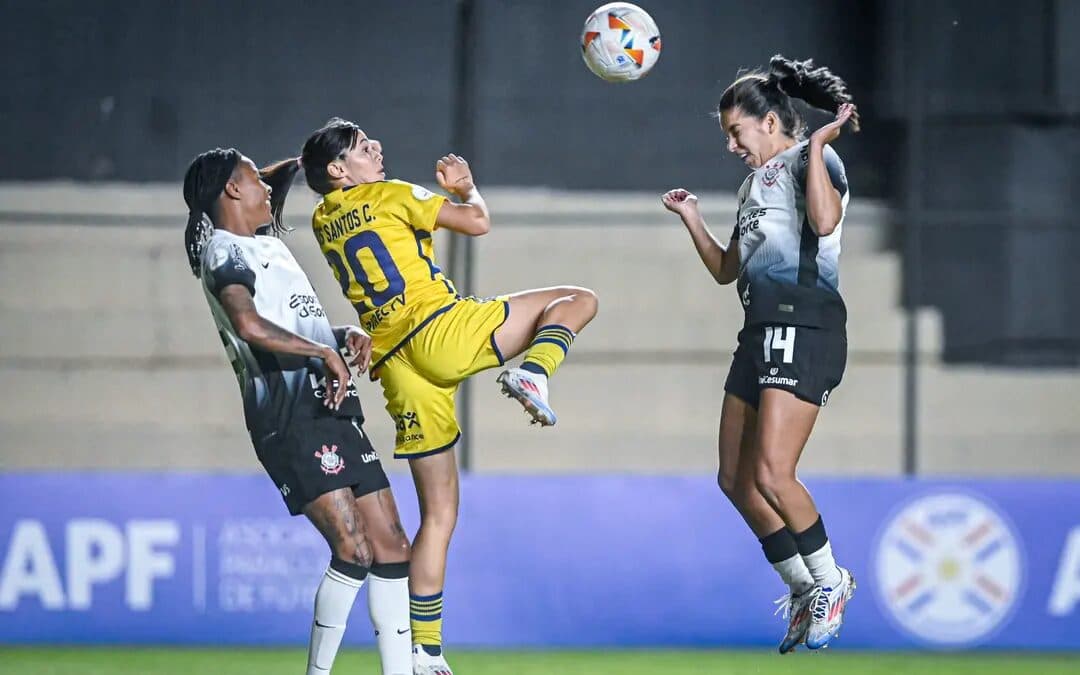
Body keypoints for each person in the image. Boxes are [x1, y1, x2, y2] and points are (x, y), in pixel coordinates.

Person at [292, 118, 598, 675]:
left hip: (396, 367)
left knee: (438, 513)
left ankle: (426, 653)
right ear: (339, 170)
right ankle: (536, 371)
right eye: (363, 147)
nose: (377, 147)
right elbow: (477, 223)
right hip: (440, 330)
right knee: (578, 299)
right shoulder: (392, 193)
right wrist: (465, 189)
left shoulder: (321, 219)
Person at [183, 148, 413, 675]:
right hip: (288, 419)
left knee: (392, 546)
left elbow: (295, 327)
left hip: (328, 403)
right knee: (353, 550)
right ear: (233, 191)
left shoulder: (267, 246)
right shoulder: (225, 252)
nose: (266, 189)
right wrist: (323, 352)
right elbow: (249, 326)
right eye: (252, 179)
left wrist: (338, 336)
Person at [662, 55, 858, 653]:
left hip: (805, 325)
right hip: (760, 328)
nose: (731, 145)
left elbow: (823, 224)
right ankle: (801, 584)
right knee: (735, 478)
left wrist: (820, 139)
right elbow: (727, 269)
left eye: (736, 131)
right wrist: (693, 219)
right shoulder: (753, 184)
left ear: (770, 122)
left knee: (773, 473)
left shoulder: (813, 159)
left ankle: (832, 580)